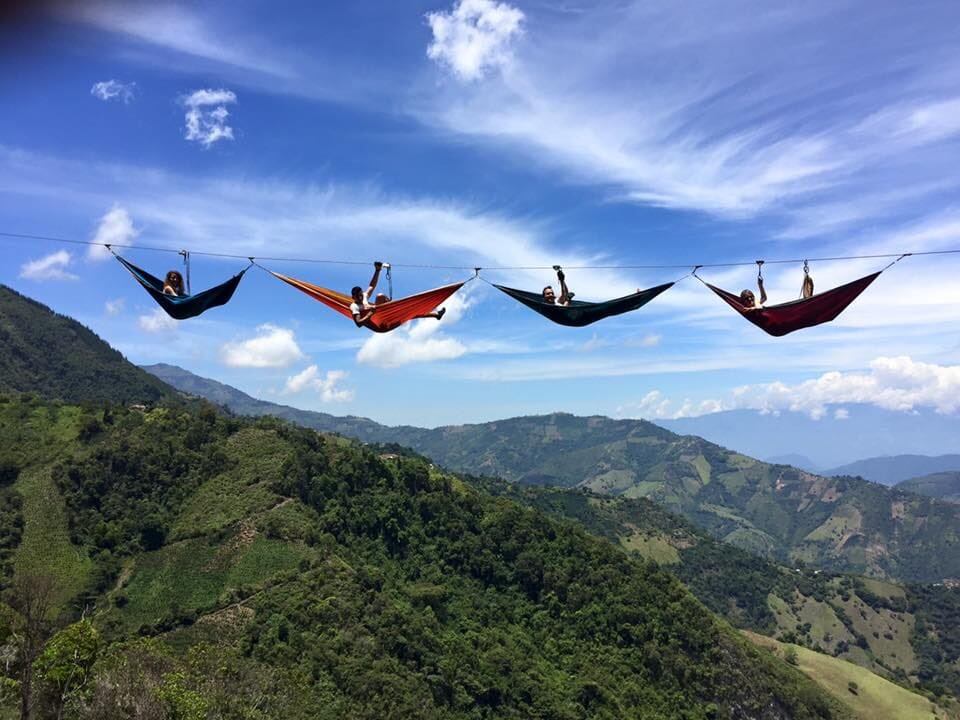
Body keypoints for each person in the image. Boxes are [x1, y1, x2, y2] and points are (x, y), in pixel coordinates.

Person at [350, 261, 446, 327]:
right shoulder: (354, 306)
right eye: (358, 296)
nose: (361, 297)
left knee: (381, 297)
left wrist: (377, 270)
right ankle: (392, 306)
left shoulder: (364, 297)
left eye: (361, 294)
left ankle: (436, 315)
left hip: (383, 313)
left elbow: (372, 286)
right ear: (353, 297)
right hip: (378, 321)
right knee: (407, 311)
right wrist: (370, 314)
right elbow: (358, 323)